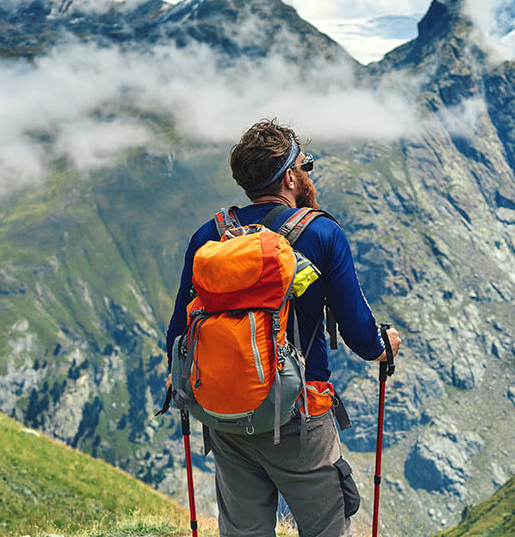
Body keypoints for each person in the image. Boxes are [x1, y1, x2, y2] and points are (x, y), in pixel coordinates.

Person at [165, 119, 402, 537]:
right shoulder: (322, 233)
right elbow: (360, 334)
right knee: (326, 527)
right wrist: (385, 344)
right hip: (300, 416)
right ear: (291, 176)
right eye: (305, 165)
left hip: (227, 415)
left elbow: (177, 335)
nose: (308, 174)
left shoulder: (210, 237)